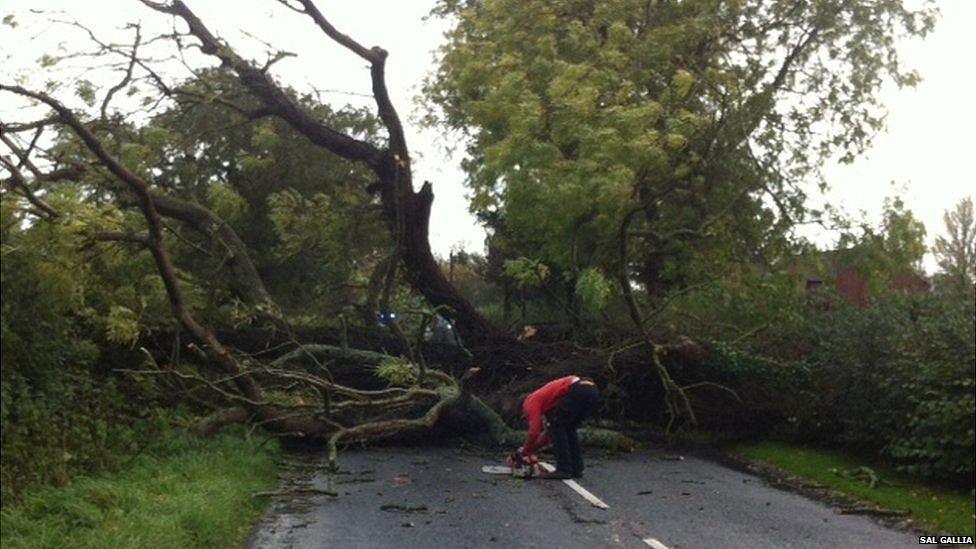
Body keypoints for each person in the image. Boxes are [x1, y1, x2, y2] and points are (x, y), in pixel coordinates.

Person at [510, 375, 600, 479]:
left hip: (578, 390)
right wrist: (532, 449)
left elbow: (534, 431)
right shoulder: (549, 404)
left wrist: (525, 451)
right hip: (592, 390)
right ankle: (577, 469)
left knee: (558, 426)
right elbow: (549, 434)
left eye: (525, 416)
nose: (527, 417)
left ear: (522, 408)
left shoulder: (530, 401)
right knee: (569, 429)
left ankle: (564, 469)